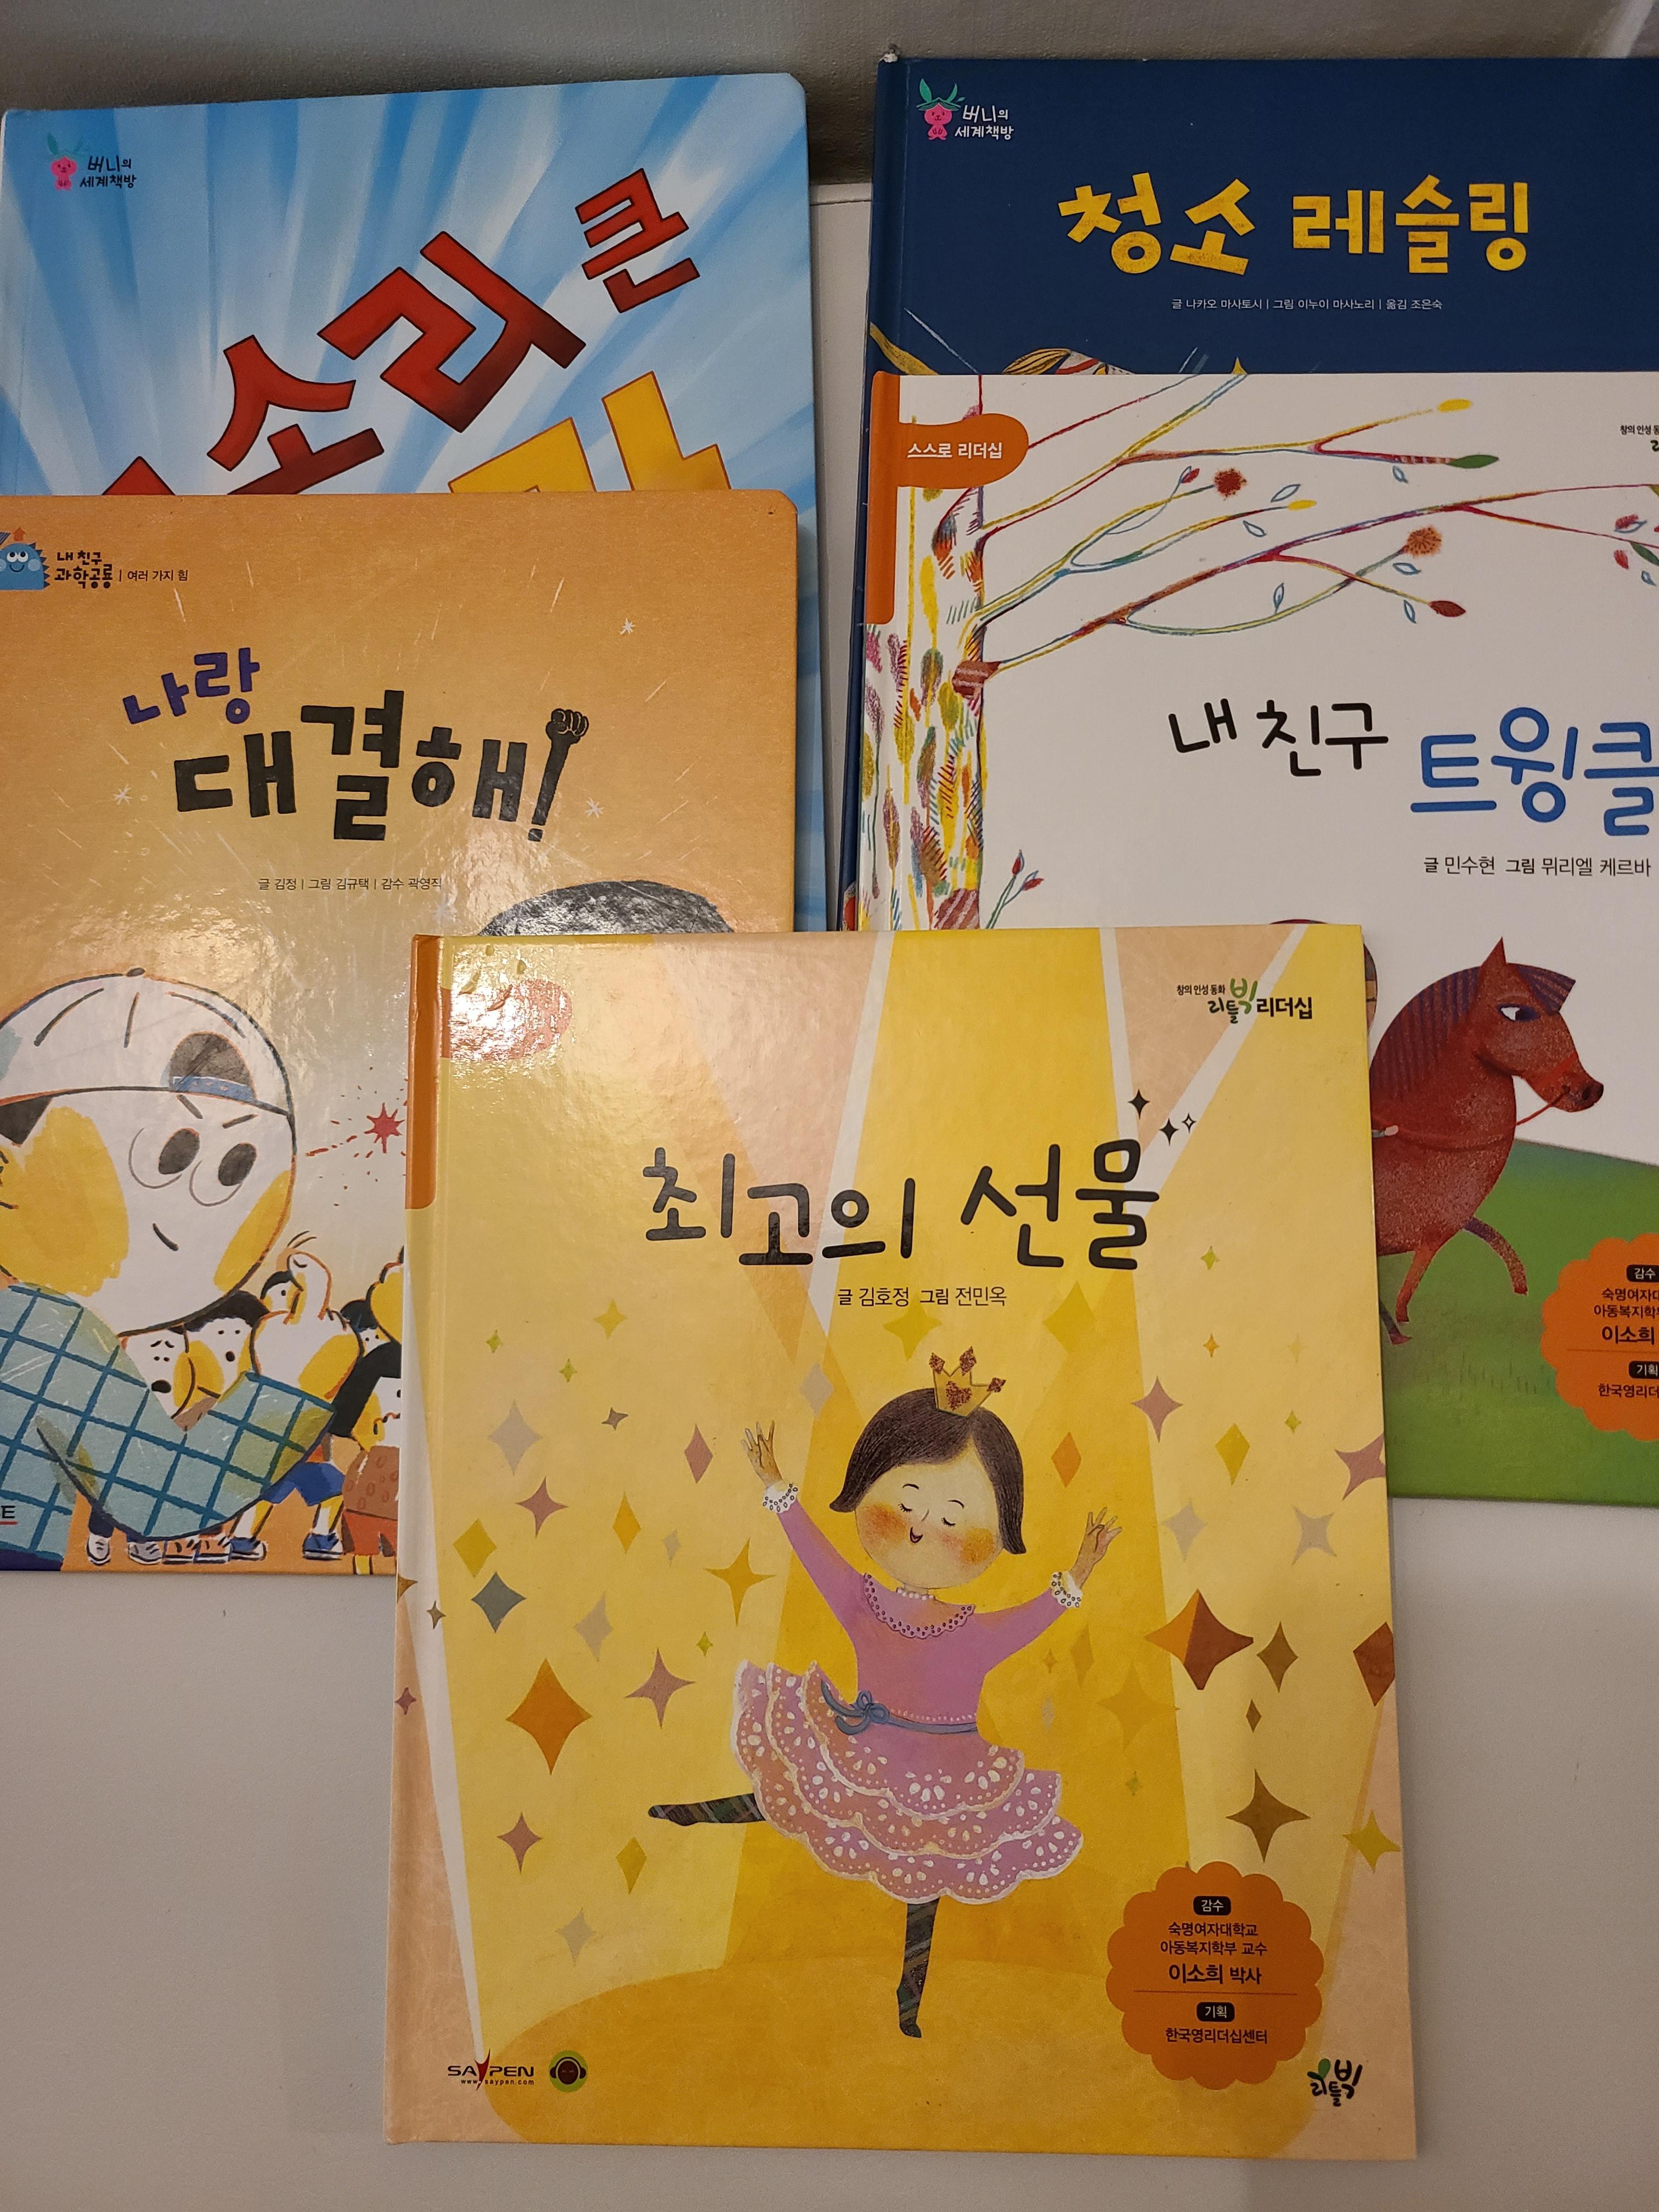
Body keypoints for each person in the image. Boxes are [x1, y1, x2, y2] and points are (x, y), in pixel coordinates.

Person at [648, 1350, 1120, 2038]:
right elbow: (817, 1557)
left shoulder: (974, 1633)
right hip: (862, 1751)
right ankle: (695, 1814)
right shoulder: (862, 1600)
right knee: (785, 1796)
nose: (923, 1527)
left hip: (944, 1781)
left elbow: (1033, 1618)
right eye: (905, 1503)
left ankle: (910, 1995)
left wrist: (1079, 1570)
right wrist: (777, 1485)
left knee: (924, 1893)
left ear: (998, 1535)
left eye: (955, 1516)